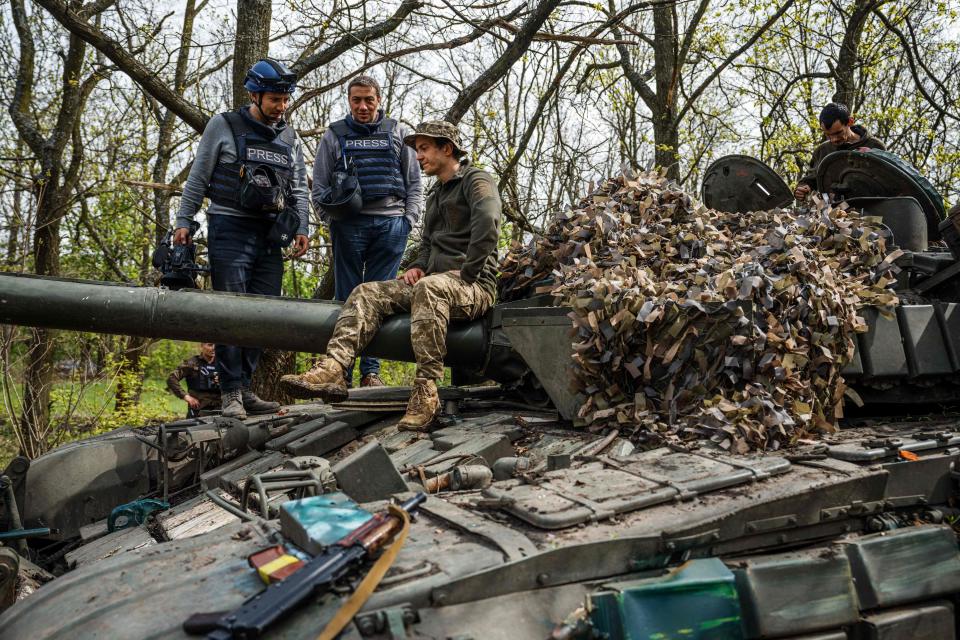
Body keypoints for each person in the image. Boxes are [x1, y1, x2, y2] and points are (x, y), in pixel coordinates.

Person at [283, 121, 499, 431]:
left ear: (446, 148)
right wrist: (418, 266)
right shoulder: (436, 193)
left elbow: (489, 222)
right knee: (367, 291)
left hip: (474, 286)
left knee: (430, 288)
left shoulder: (476, 180)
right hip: (435, 283)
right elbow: (428, 244)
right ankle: (333, 369)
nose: (419, 156)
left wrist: (467, 272)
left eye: (424, 149)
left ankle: (426, 393)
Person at [173, 58, 310, 419]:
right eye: (275, 100)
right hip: (229, 227)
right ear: (254, 94)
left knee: (264, 312)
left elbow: (297, 187)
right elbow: (199, 176)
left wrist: (302, 227)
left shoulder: (289, 136)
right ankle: (230, 390)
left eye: (285, 100)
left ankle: (245, 389)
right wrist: (184, 220)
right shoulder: (224, 125)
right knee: (230, 311)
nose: (281, 107)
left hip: (270, 232)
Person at [312, 75, 423, 388]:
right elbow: (319, 185)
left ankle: (370, 372)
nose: (362, 106)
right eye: (356, 100)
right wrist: (329, 219)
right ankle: (341, 373)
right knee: (345, 299)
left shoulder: (399, 132)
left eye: (368, 100)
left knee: (379, 300)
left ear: (379, 99)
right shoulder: (335, 134)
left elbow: (415, 182)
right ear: (349, 101)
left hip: (391, 226)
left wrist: (408, 221)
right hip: (348, 226)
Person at [794, 102, 886, 200]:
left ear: (850, 122)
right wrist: (803, 188)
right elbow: (812, 179)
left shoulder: (875, 146)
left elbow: (886, 181)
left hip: (872, 207)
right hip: (833, 211)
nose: (834, 139)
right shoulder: (822, 151)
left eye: (838, 133)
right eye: (828, 135)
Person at [167, 343, 221, 418]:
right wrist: (185, 396)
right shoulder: (192, 363)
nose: (214, 348)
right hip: (198, 410)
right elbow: (172, 379)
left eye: (216, 345)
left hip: (221, 409)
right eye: (210, 345)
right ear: (202, 346)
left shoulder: (223, 364)